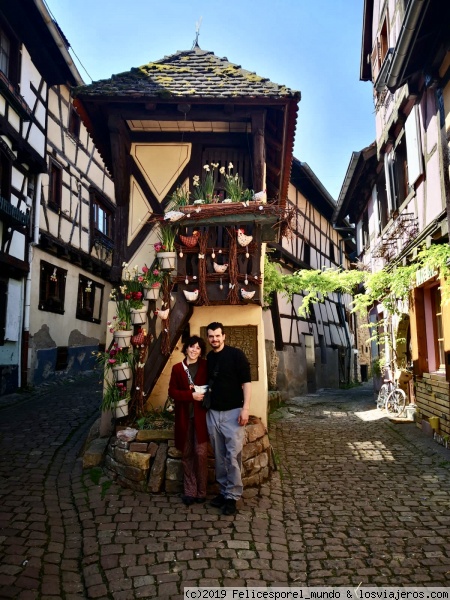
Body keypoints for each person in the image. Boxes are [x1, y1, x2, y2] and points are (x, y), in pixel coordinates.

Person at [205, 322, 251, 515]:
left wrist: (245, 409)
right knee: (219, 456)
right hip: (213, 413)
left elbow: (246, 383)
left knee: (233, 456)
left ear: (224, 336)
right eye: (211, 336)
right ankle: (224, 492)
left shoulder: (236, 355)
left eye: (217, 335)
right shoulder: (208, 357)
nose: (214, 339)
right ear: (208, 338)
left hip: (233, 413)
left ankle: (232, 496)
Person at [168, 335, 208, 506]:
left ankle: (202, 491)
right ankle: (190, 491)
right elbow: (172, 392)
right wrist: (190, 395)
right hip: (185, 418)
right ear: (186, 349)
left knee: (201, 454)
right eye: (192, 347)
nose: (194, 350)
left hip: (201, 418)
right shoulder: (178, 369)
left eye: (198, 348)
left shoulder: (205, 366)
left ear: (201, 352)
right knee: (187, 454)